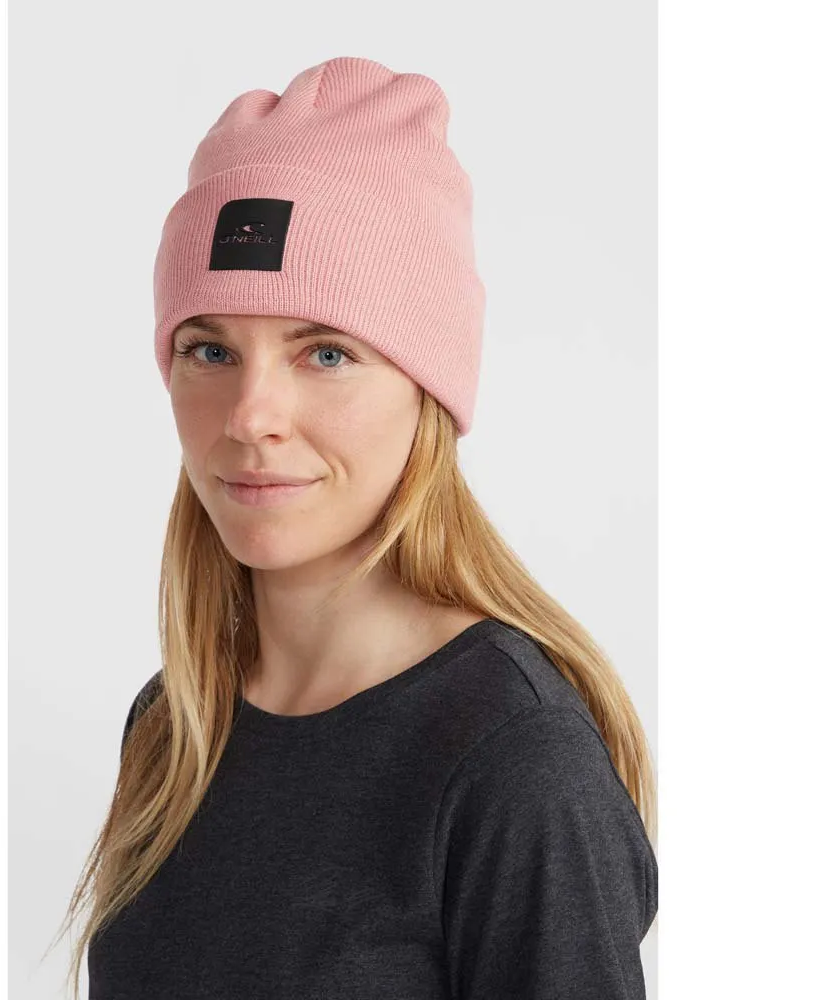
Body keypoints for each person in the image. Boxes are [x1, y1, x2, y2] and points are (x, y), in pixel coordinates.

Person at [53, 56, 658, 999]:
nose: (250, 415)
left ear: (429, 391)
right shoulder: (175, 725)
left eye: (325, 353)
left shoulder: (516, 762)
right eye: (209, 348)